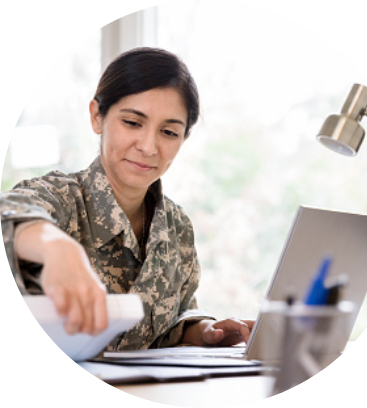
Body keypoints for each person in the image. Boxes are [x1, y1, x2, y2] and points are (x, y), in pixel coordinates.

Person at [0, 47, 254, 351]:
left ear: (184, 138)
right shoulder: (61, 197)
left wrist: (206, 331)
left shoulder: (178, 228)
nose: (148, 147)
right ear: (97, 116)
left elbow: (170, 326)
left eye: (169, 132)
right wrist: (58, 249)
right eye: (133, 123)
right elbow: (9, 210)